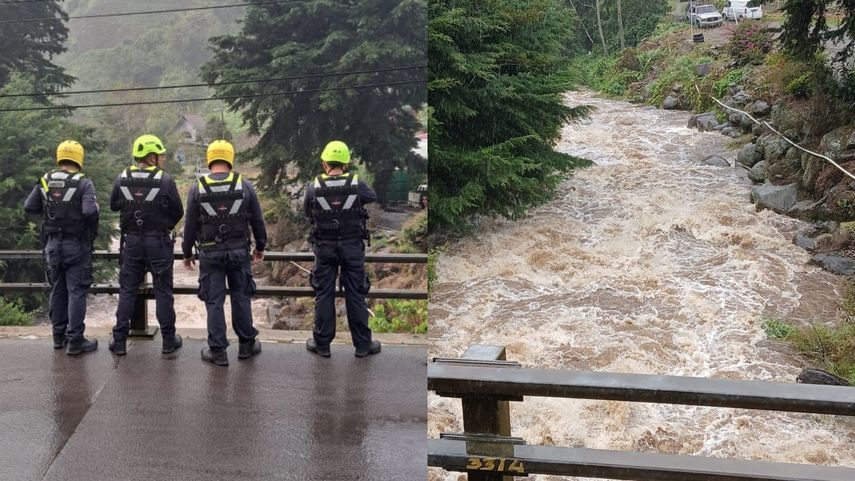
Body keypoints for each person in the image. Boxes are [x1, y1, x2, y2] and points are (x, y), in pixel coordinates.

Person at [182, 140, 266, 367]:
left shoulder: (197, 188)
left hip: (210, 254)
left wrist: (187, 253)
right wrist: (260, 246)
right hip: (239, 252)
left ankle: (218, 352)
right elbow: (257, 220)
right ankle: (246, 346)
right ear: (230, 158)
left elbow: (189, 225)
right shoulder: (245, 186)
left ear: (210, 160)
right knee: (241, 297)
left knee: (214, 301)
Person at [304, 140, 381, 358]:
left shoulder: (314, 187)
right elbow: (372, 197)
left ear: (324, 163)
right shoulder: (358, 184)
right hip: (352, 248)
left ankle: (322, 344)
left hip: (324, 248)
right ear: (346, 164)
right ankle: (363, 345)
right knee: (356, 294)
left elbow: (308, 212)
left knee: (324, 293)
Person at [109, 134, 184, 356]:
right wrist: (164, 226)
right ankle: (168, 342)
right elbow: (178, 211)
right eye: (160, 155)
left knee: (127, 292)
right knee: (163, 292)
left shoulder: (122, 177)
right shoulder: (165, 180)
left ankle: (120, 342)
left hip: (131, 242)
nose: (162, 159)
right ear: (151, 157)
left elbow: (114, 206)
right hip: (158, 242)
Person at [23, 140, 99, 355]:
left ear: (60, 157)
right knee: (76, 292)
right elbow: (89, 212)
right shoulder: (84, 183)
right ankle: (76, 341)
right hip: (76, 245)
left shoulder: (45, 180)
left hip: (52, 245)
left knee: (57, 290)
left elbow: (29, 206)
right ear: (79, 158)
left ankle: (58, 337)